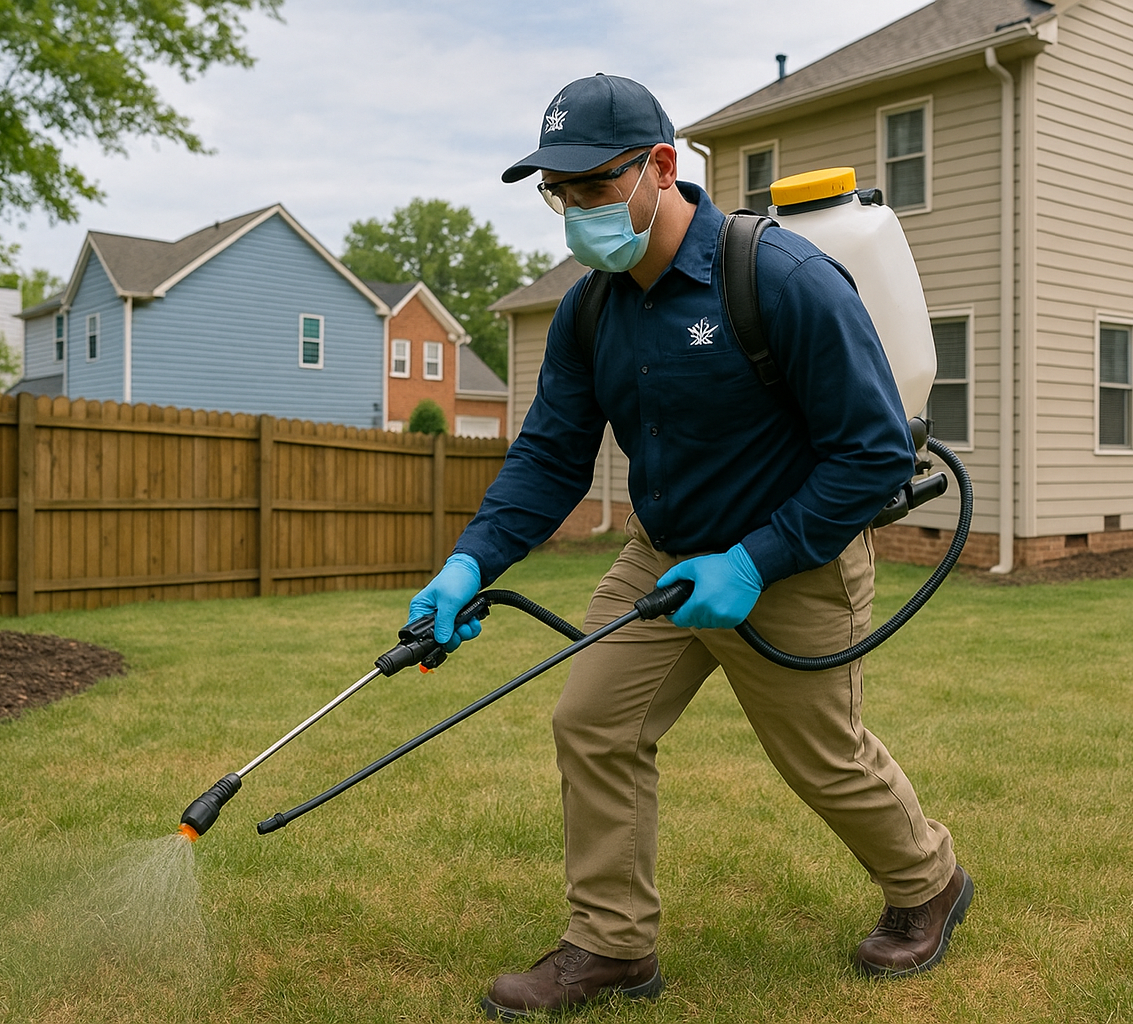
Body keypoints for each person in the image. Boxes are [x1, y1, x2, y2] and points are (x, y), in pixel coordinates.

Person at [408, 73, 970, 1020]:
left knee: (822, 757)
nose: (578, 209)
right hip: (661, 558)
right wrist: (471, 563)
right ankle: (613, 946)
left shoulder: (780, 279)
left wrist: (752, 562)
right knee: (594, 722)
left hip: (792, 557)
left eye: (595, 186)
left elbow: (874, 458)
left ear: (661, 169)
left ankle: (930, 881)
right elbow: (550, 456)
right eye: (561, 193)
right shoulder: (593, 311)